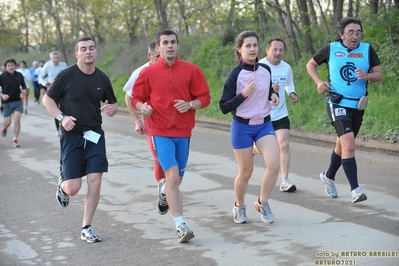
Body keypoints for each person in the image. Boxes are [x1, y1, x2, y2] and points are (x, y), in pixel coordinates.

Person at [132, 29, 211, 243]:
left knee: (176, 181)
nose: (169, 46)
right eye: (165, 43)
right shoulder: (147, 73)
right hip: (159, 131)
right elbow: (135, 99)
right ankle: (181, 225)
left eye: (173, 42)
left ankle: (164, 191)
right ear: (157, 48)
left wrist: (191, 104)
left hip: (183, 132)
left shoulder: (191, 70)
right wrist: (144, 108)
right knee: (173, 177)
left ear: (177, 45)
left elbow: (204, 97)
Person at [42, 37, 118, 243]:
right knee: (73, 188)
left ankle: (86, 226)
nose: (88, 52)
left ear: (96, 52)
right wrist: (61, 117)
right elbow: (47, 99)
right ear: (77, 54)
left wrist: (112, 109)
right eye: (83, 49)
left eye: (91, 48)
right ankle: (62, 184)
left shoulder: (102, 78)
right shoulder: (66, 76)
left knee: (95, 181)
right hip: (72, 136)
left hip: (94, 136)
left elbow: (113, 104)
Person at [306, 17, 382, 203]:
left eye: (358, 32)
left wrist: (368, 76)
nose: (355, 36)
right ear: (342, 34)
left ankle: (328, 175)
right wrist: (319, 82)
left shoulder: (367, 49)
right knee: (349, 145)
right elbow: (311, 64)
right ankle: (355, 189)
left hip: (358, 105)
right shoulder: (331, 49)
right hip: (337, 103)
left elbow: (379, 76)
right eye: (351, 32)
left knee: (342, 145)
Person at [219, 30, 280, 225]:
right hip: (242, 127)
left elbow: (267, 88)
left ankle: (262, 202)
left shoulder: (265, 69)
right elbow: (223, 106)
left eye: (255, 45)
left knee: (274, 164)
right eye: (248, 46)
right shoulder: (235, 74)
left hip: (264, 124)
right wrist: (244, 94)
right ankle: (239, 205)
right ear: (239, 49)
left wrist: (273, 95)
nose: (252, 49)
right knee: (246, 172)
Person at [122, 40, 167, 214]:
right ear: (149, 55)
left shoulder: (171, 68)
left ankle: (168, 188)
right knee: (159, 159)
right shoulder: (141, 72)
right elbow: (128, 97)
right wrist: (137, 120)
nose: (160, 58)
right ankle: (163, 189)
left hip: (172, 123)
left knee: (174, 162)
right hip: (152, 122)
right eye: (157, 56)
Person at [255, 38, 299, 193]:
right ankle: (255, 148)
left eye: (281, 50)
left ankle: (285, 180)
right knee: (267, 148)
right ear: (267, 50)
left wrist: (292, 93)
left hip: (280, 114)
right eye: (275, 49)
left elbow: (289, 84)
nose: (278, 53)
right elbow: (251, 90)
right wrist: (268, 89)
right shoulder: (259, 67)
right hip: (262, 116)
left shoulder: (286, 67)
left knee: (284, 144)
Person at [39, 51, 68, 137]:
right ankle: (57, 129)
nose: (56, 60)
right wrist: (45, 84)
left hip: (64, 90)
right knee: (56, 110)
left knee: (65, 108)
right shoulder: (47, 66)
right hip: (53, 90)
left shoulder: (63, 65)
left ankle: (65, 125)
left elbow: (68, 76)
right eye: (54, 58)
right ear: (50, 59)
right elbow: (41, 77)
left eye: (57, 58)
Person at [0, 58, 27, 147]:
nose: (11, 67)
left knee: (17, 120)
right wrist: (2, 95)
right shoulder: (2, 76)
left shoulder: (19, 75)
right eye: (9, 65)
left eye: (12, 65)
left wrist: (23, 91)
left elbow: (24, 86)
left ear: (15, 66)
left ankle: (15, 139)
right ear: (6, 67)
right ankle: (4, 127)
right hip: (6, 103)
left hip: (17, 101)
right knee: (7, 122)